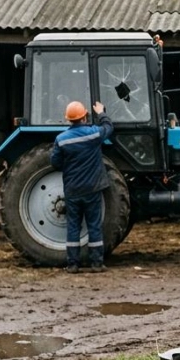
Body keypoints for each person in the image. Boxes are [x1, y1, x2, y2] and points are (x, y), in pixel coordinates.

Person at [50, 100, 113, 273]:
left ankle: (72, 264)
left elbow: (55, 162)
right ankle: (96, 263)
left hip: (72, 190)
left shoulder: (61, 140)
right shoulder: (93, 134)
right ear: (84, 116)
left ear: (69, 119)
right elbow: (108, 128)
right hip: (92, 188)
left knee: (73, 226)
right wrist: (101, 113)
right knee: (94, 225)